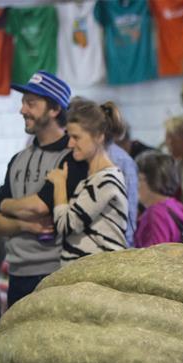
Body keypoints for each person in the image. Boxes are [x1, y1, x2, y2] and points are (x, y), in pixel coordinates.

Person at [0, 70, 72, 307]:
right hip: (17, 272)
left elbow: (39, 207)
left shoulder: (72, 157)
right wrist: (25, 225)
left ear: (54, 109)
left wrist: (6, 206)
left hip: (56, 272)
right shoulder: (18, 159)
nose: (22, 110)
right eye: (23, 102)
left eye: (31, 103)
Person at [45, 98, 128, 265]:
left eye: (76, 137)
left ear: (99, 136)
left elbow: (66, 225)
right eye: (69, 136)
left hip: (99, 274)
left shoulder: (106, 181)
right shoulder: (95, 178)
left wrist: (59, 183)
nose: (70, 144)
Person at [134, 151, 183, 248]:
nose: (134, 185)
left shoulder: (155, 214)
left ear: (152, 180)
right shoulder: (175, 206)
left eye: (138, 179)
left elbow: (155, 254)